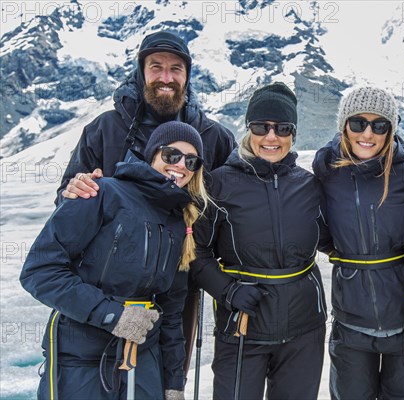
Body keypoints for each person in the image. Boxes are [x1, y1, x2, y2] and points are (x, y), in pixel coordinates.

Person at [56, 30, 236, 376]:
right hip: (104, 280)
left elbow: (235, 204)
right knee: (97, 375)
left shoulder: (213, 137)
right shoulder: (106, 129)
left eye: (176, 69)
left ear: (187, 76)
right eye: (156, 67)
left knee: (168, 374)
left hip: (178, 280)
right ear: (141, 72)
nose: (166, 78)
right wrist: (74, 189)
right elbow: (67, 197)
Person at [21, 121, 210, 400]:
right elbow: (40, 271)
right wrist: (112, 315)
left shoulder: (178, 221)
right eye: (172, 155)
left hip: (142, 358)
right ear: (153, 154)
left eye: (191, 161)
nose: (180, 165)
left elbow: (171, 312)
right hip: (82, 356)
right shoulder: (102, 193)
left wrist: (173, 383)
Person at [190, 82, 329, 399]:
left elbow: (336, 238)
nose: (271, 137)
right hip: (242, 326)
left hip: (304, 329)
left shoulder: (308, 185)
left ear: (293, 133)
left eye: (282, 128)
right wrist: (228, 290)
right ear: (248, 128)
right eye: (261, 126)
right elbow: (196, 253)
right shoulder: (218, 183)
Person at [312, 87, 404, 400]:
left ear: (391, 130)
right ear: (344, 125)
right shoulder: (328, 171)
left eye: (380, 125)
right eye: (358, 123)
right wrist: (348, 253)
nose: (368, 133)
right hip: (351, 322)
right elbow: (317, 226)